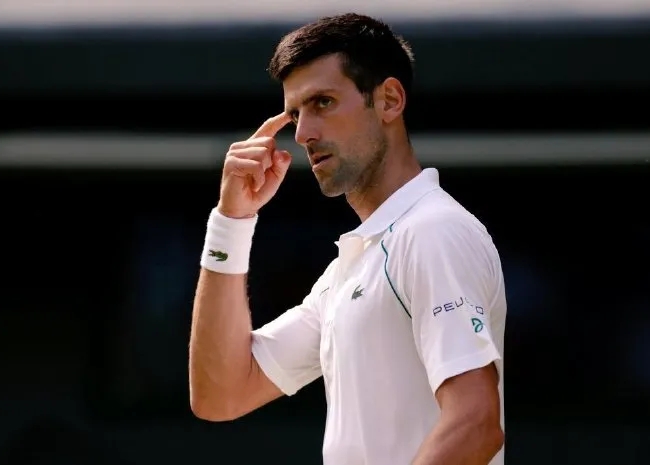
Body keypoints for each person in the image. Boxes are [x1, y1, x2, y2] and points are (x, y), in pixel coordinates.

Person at [189, 12, 507, 465]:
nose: (303, 134)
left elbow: (475, 423)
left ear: (390, 100)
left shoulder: (432, 232)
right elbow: (220, 393)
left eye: (323, 102)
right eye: (295, 114)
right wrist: (231, 222)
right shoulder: (351, 269)